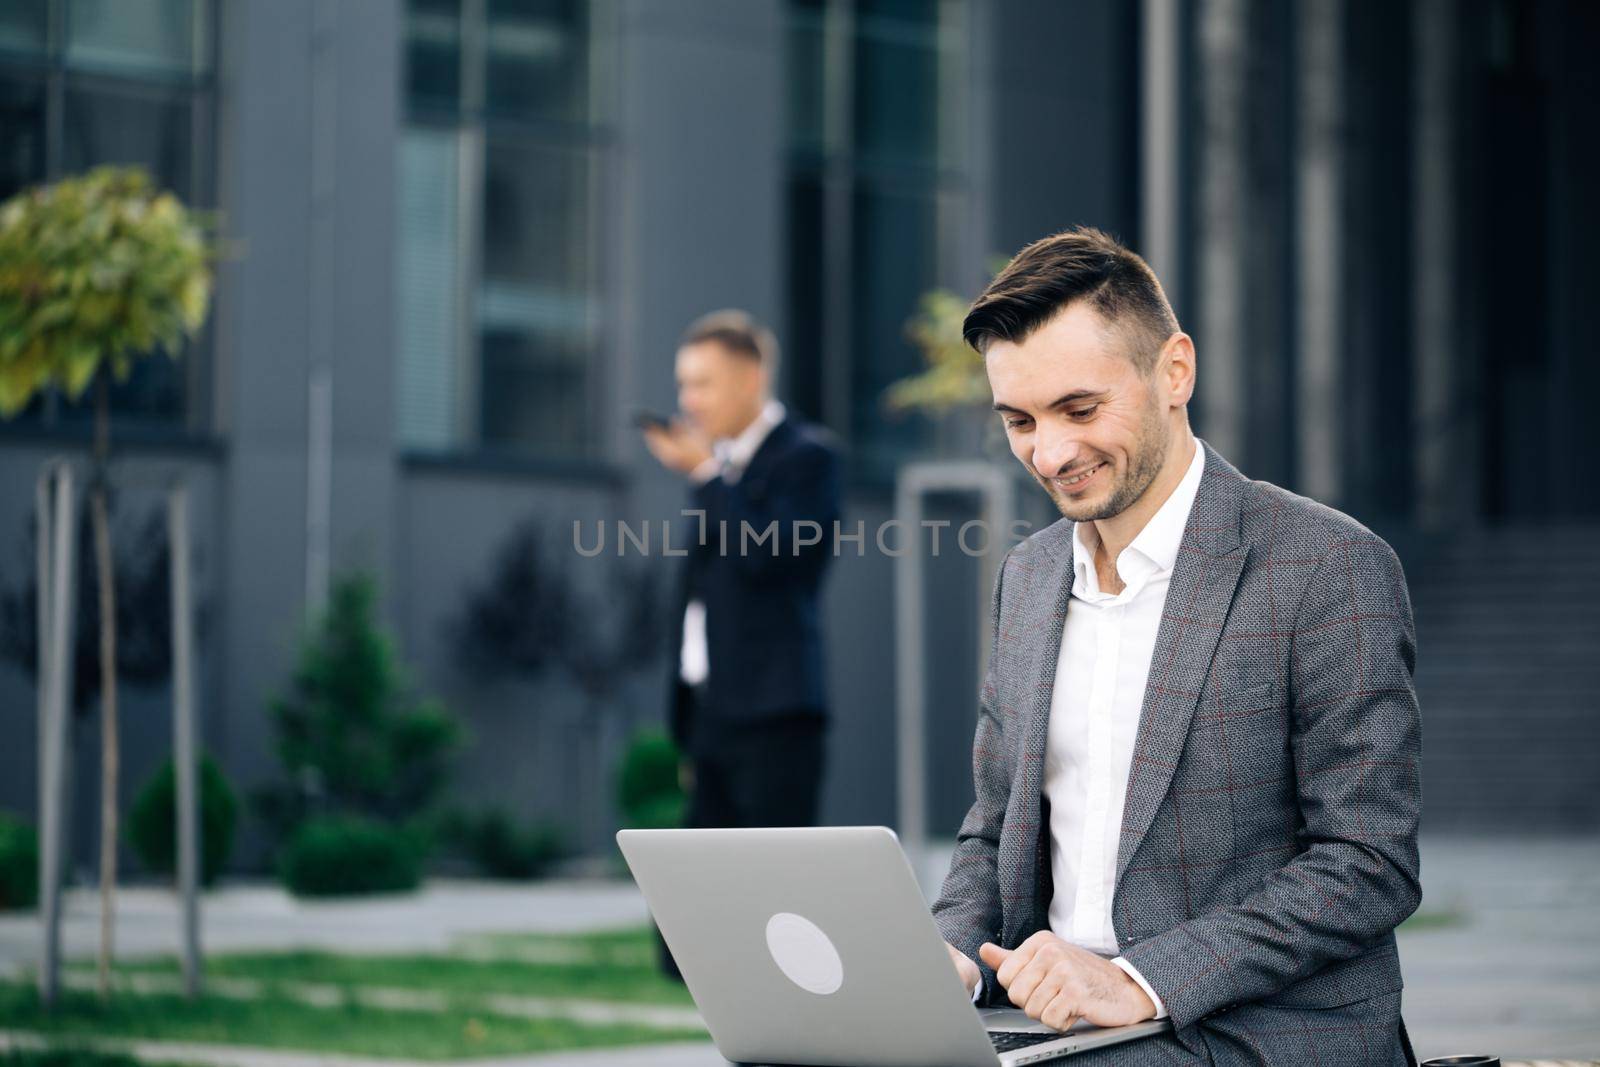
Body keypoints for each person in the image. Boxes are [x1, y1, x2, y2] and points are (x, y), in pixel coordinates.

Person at [932, 228, 1422, 1066]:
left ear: (1175, 372)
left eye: (1080, 409)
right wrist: (947, 954)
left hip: (1254, 1027)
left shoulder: (1329, 565)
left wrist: (1139, 980)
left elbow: (1368, 862)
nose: (1050, 453)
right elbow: (993, 828)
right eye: (1019, 420)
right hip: (1053, 1029)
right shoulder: (1030, 574)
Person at [641, 310, 842, 974]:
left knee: (778, 896)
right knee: (695, 903)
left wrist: (707, 479)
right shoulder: (721, 471)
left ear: (751, 378)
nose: (687, 401)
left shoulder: (807, 457)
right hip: (711, 708)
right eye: (683, 384)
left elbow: (771, 557)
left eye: (702, 383)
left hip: (775, 709)